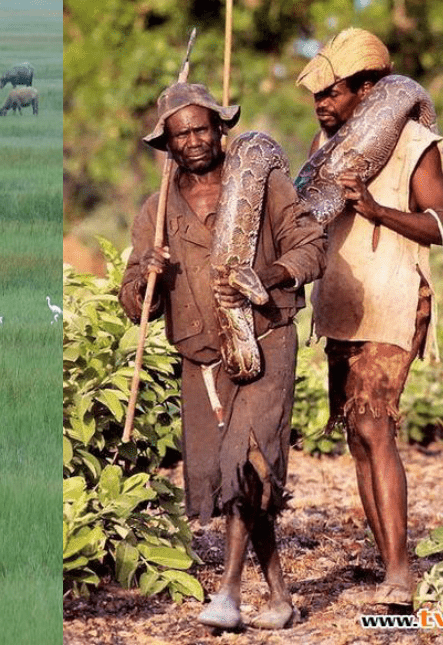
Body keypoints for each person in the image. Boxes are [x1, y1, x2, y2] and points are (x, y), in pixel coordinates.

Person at [118, 82, 325, 630]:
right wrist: (150, 276)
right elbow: (133, 302)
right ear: (167, 143)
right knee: (233, 478)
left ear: (220, 128)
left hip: (266, 340)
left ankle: (229, 594)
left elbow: (311, 247)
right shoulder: (156, 211)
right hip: (202, 359)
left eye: (202, 128)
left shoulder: (262, 183)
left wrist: (269, 275)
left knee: (248, 458)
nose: (193, 141)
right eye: (180, 133)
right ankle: (280, 596)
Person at [295, 28, 443, 605]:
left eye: (332, 92)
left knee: (374, 428)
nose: (322, 104)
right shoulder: (328, 148)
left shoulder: (414, 141)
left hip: (392, 298)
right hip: (343, 307)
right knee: (358, 439)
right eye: (317, 94)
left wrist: (376, 208)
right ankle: (386, 556)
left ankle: (399, 572)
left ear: (367, 89)